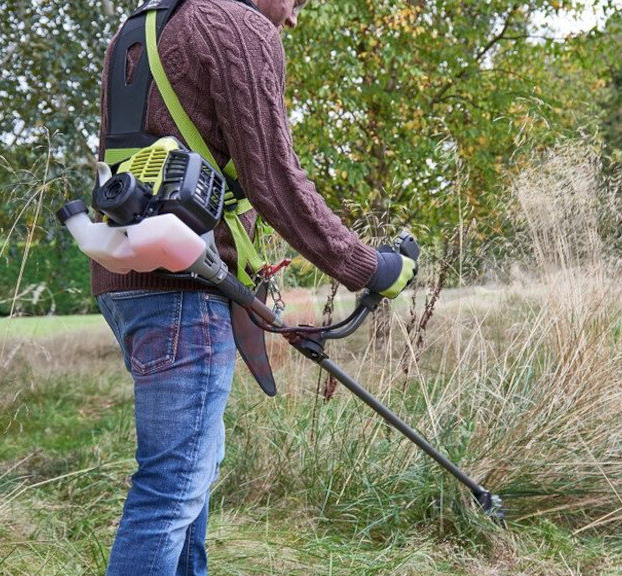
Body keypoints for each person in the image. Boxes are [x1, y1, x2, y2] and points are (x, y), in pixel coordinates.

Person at [91, 0, 416, 574]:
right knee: (169, 493)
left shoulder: (141, 28)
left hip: (126, 283)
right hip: (182, 293)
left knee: (189, 481)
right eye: (295, 1)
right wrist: (371, 268)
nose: (293, 16)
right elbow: (275, 181)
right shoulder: (236, 26)